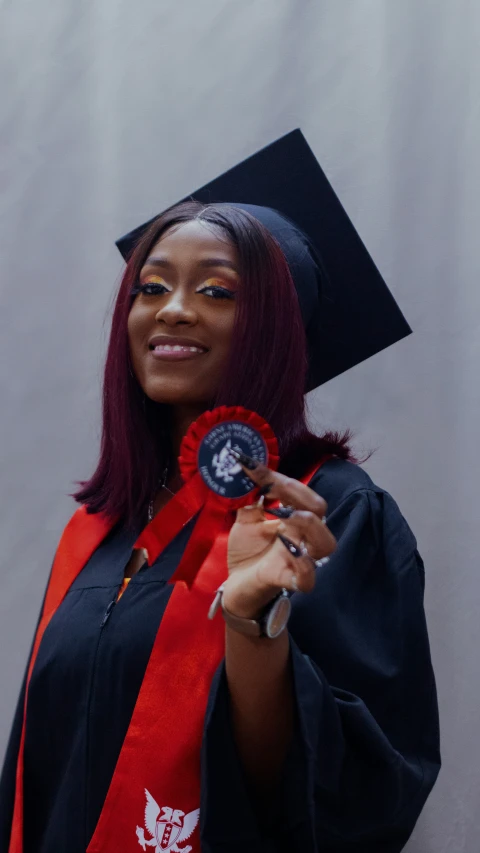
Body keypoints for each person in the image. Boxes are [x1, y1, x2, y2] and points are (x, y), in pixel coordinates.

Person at [0, 131, 440, 853]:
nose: (172, 309)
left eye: (216, 289)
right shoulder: (96, 529)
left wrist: (250, 626)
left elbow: (349, 801)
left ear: (276, 328)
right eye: (152, 285)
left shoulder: (330, 512)